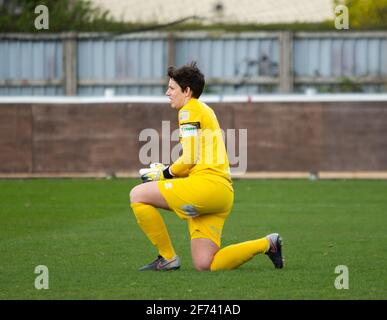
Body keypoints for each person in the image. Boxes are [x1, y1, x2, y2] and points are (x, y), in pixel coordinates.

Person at [129, 62, 284, 271]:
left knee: (137, 194)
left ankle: (167, 258)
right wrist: (170, 173)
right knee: (206, 264)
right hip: (221, 193)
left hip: (207, 187)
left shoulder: (188, 110)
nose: (167, 93)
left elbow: (190, 158)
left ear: (187, 91)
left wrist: (165, 173)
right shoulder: (203, 109)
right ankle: (268, 243)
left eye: (172, 88)